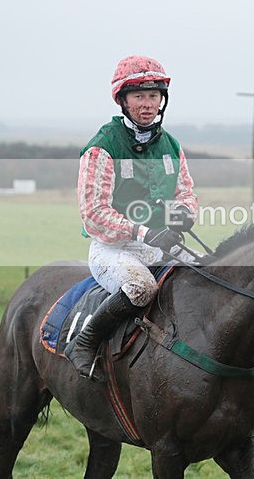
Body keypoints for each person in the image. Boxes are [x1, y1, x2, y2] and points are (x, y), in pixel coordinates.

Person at [64, 55, 198, 379]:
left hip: (161, 246)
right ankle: (84, 343)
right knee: (141, 287)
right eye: (139, 96)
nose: (147, 104)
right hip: (113, 250)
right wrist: (143, 232)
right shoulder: (102, 147)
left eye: (154, 95)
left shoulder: (171, 145)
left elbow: (186, 194)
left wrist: (183, 214)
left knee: (208, 274)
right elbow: (94, 214)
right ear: (122, 100)